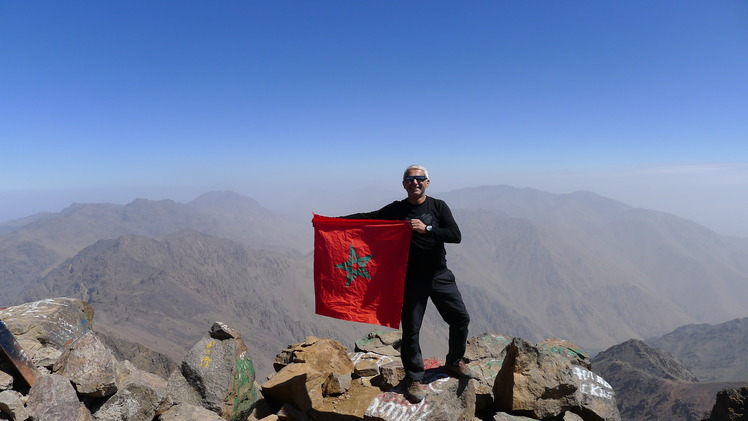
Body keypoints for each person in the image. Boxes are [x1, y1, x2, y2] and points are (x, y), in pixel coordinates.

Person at [341, 164, 476, 403]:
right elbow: (369, 218)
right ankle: (415, 378)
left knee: (460, 318)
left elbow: (455, 235)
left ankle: (454, 362)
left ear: (427, 182)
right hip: (411, 279)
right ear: (404, 184)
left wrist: (428, 229)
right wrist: (332, 222)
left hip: (439, 275)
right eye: (410, 179)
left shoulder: (438, 206)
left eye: (420, 178)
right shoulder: (397, 209)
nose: (415, 182)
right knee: (412, 331)